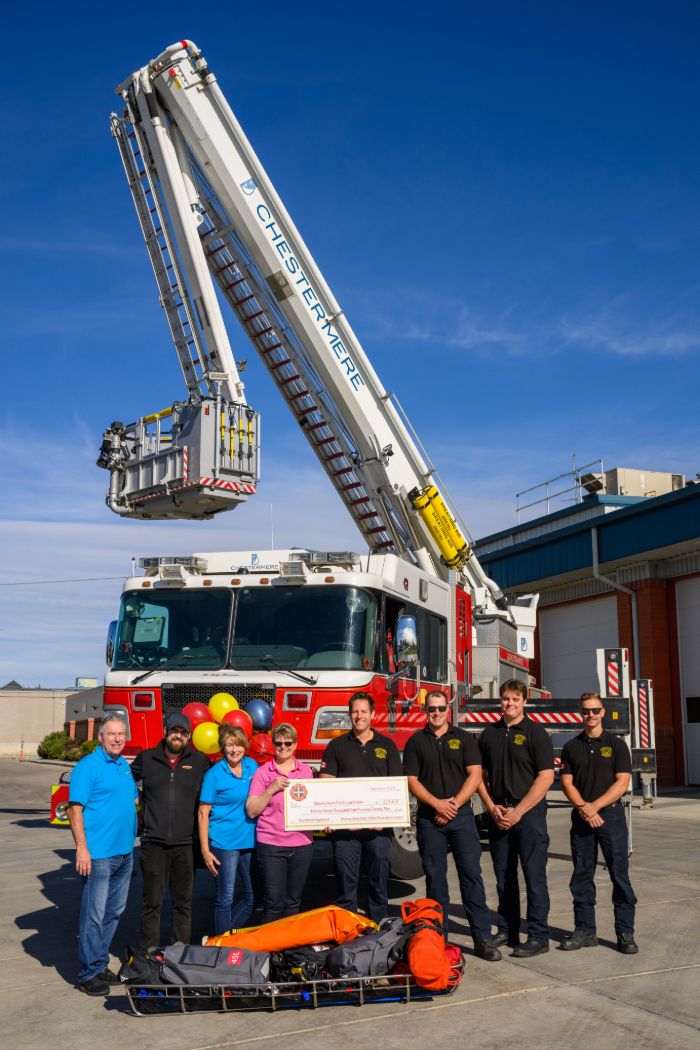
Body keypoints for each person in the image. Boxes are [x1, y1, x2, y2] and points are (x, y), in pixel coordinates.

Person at [403, 691, 502, 961]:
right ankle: (438, 940)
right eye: (431, 709)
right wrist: (437, 804)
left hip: (461, 819)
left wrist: (453, 805)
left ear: (448, 709)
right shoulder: (415, 742)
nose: (436, 713)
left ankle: (482, 938)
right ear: (425, 710)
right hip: (429, 820)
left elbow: (475, 775)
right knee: (436, 882)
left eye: (440, 708)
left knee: (471, 877)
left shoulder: (464, 738)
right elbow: (412, 780)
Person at [478, 679, 555, 957]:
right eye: (505, 699)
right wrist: (491, 807)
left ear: (524, 701)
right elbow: (479, 776)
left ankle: (538, 936)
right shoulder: (489, 734)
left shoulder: (536, 733)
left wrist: (519, 811)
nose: (509, 704)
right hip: (499, 814)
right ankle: (508, 929)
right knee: (503, 877)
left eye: (515, 699)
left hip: (529, 814)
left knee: (534, 876)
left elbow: (546, 777)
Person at [559, 692, 638, 954]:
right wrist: (584, 808)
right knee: (581, 876)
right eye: (585, 711)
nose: (590, 715)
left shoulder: (616, 745)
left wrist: (595, 806)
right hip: (582, 818)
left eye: (594, 711)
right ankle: (585, 931)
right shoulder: (571, 747)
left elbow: (622, 783)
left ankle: (625, 933)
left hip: (611, 817)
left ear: (603, 712)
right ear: (580, 714)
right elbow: (567, 783)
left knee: (619, 875)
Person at [67, 713, 138, 995]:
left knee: (114, 911)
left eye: (121, 734)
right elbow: (75, 810)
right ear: (100, 737)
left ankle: (99, 963)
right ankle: (87, 974)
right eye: (112, 734)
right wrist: (82, 849)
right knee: (93, 915)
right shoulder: (88, 767)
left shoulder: (123, 766)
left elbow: (131, 798)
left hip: (124, 852)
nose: (117, 739)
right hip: (98, 854)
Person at [320, 692, 402, 922]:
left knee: (378, 880)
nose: (359, 716)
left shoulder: (387, 745)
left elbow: (396, 786)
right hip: (346, 831)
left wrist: (385, 819)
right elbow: (326, 782)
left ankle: (379, 928)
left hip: (378, 828)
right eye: (355, 712)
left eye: (364, 711)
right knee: (346, 882)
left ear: (373, 715)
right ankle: (348, 928)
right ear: (350, 715)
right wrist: (331, 818)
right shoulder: (336, 746)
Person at [130, 712, 210, 949]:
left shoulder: (200, 761)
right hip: (153, 844)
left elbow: (220, 788)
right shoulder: (146, 759)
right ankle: (148, 955)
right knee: (151, 903)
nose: (178, 736)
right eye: (174, 731)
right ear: (165, 732)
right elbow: (120, 785)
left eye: (183, 732)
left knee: (182, 904)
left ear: (189, 736)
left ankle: (178, 954)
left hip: (186, 845)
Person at [245, 723, 314, 922]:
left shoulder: (305, 771)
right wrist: (271, 789)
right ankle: (270, 951)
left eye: (287, 743)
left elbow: (313, 805)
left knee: (293, 902)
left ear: (295, 745)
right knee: (273, 902)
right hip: (272, 845)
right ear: (273, 745)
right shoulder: (263, 772)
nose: (283, 747)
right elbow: (251, 810)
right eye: (278, 743)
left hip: (302, 844)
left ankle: (288, 950)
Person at [198, 724, 257, 936]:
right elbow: (203, 812)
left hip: (249, 841)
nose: (234, 750)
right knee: (226, 898)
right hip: (224, 843)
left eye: (238, 745)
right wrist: (205, 850)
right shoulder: (215, 773)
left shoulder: (252, 766)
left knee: (252, 897)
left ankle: (225, 937)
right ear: (223, 748)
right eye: (229, 746)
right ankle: (221, 947)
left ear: (245, 746)